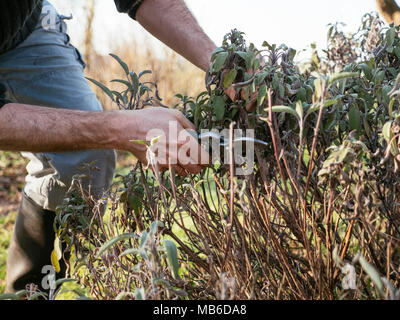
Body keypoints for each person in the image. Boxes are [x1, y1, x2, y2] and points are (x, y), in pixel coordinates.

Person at [0, 0, 216, 293]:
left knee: (85, 158)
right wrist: (121, 127)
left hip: (26, 27)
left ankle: (31, 293)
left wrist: (222, 65)